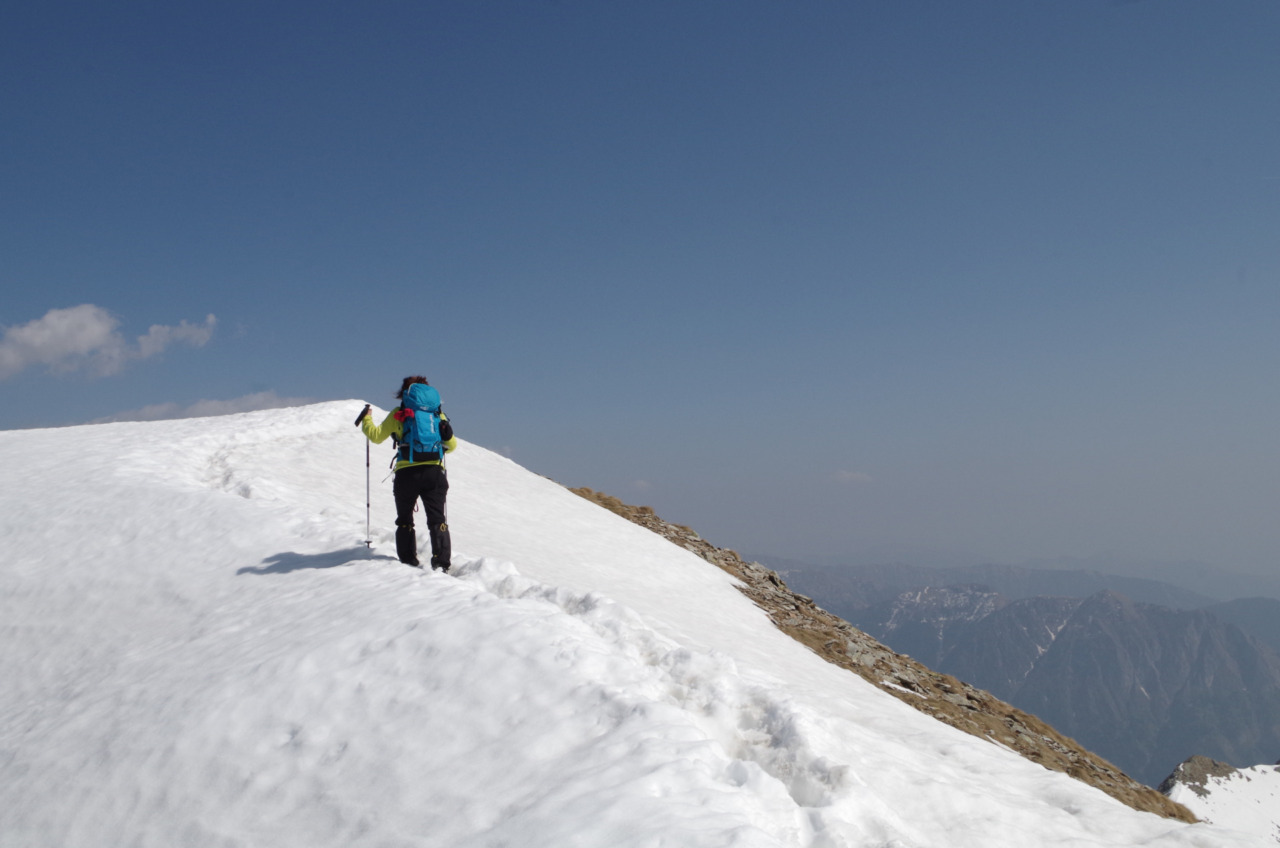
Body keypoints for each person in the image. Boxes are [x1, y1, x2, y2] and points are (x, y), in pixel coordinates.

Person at [356, 376, 457, 571]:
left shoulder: (399, 414)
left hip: (406, 474)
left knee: (404, 519)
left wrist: (367, 418)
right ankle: (441, 564)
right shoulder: (437, 414)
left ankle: (408, 562)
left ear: (405, 393)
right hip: (434, 473)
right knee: (437, 520)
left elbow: (376, 437)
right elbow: (451, 446)